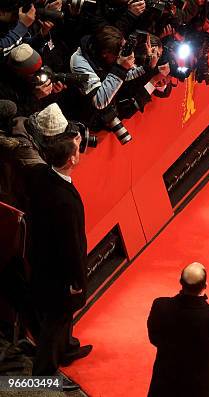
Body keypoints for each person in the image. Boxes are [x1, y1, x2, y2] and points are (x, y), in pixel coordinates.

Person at [23, 103, 92, 389]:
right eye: (76, 149)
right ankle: (44, 376)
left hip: (40, 260)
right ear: (71, 160)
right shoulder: (64, 200)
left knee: (62, 318)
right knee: (56, 320)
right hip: (58, 274)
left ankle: (67, 348)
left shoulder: (42, 175)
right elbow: (70, 245)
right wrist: (76, 279)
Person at [147, 262, 209, 397]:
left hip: (166, 380)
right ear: (205, 286)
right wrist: (204, 361)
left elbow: (154, 337)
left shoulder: (160, 306)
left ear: (180, 282)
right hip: (201, 386)